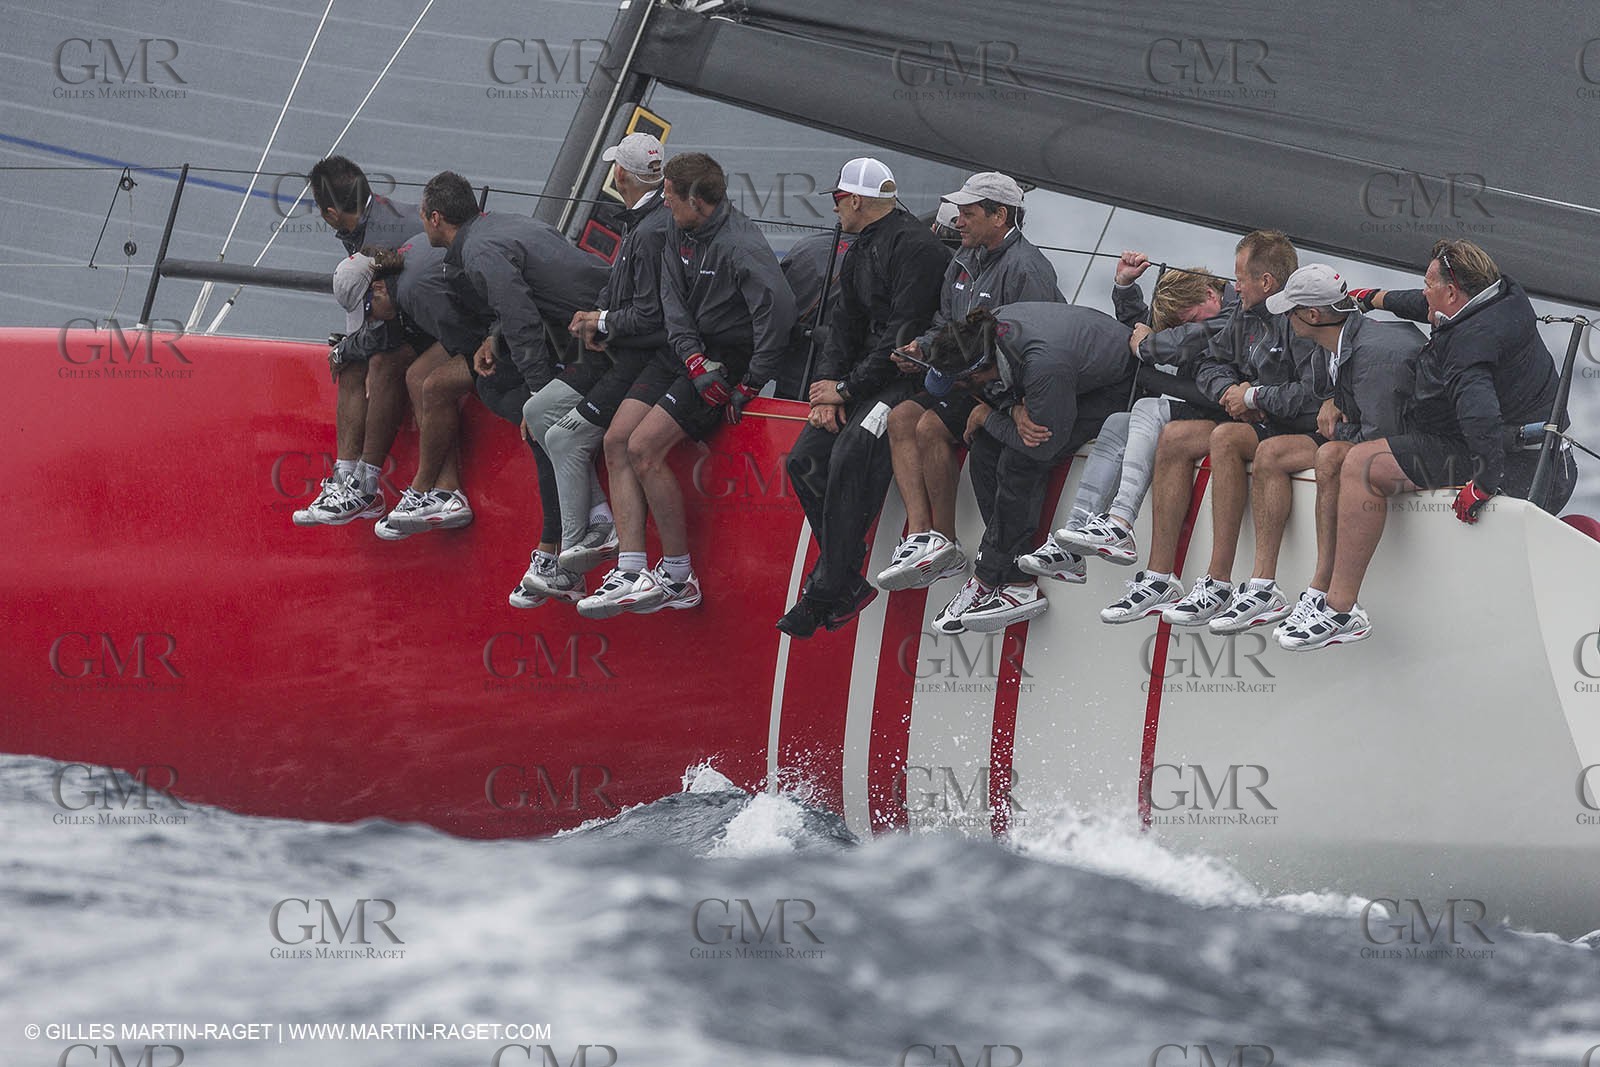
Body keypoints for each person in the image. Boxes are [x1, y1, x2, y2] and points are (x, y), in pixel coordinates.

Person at [1278, 239, 1576, 649]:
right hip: (1541, 454)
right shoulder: (1503, 294)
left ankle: (1342, 610)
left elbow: (1481, 418)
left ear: (1451, 292)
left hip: (1513, 463)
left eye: (1428, 284)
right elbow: (1426, 306)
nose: (1423, 292)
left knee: (1364, 464)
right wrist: (1374, 298)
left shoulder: (1469, 347)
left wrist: (1484, 484)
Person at [577, 152, 796, 619]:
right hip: (686, 353)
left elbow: (778, 314)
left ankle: (678, 576)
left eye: (672, 199)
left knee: (644, 448)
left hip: (725, 359)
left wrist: (752, 380)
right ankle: (632, 569)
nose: (666, 206)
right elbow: (671, 299)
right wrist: (691, 356)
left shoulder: (741, 247)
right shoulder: (679, 228)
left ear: (698, 201)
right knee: (616, 441)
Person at [1099, 229, 1324, 626]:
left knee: (1224, 437)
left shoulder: (1302, 319)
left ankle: (1220, 581)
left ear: (1266, 282)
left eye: (1239, 278)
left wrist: (1253, 398)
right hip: (1262, 419)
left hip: (1301, 427)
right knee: (1174, 437)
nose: (1233, 287)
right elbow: (1212, 364)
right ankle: (1158, 578)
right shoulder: (1246, 314)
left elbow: (1313, 395)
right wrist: (1230, 392)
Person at [1195, 264, 1421, 635]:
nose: (1283, 317)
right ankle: (1263, 587)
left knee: (1331, 456)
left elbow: (1381, 442)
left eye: (1289, 310)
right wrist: (1333, 398)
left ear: (1312, 315)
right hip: (1364, 427)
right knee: (1272, 454)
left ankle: (1322, 591)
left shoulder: (1375, 357)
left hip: (1406, 444)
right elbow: (1319, 395)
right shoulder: (1329, 342)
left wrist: (1335, 414)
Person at [418, 171, 611, 608]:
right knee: (494, 389)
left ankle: (561, 552)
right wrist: (493, 337)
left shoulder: (480, 252)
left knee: (541, 427)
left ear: (436, 218)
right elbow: (528, 294)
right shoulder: (505, 225)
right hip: (584, 328)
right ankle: (563, 551)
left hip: (607, 341)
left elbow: (524, 320)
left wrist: (541, 397)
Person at [775, 158, 950, 638]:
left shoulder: (918, 249)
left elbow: (902, 336)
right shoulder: (860, 247)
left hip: (903, 380)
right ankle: (845, 579)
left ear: (854, 200)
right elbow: (842, 325)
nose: (834, 211)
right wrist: (829, 392)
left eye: (835, 199)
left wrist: (847, 389)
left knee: (851, 452)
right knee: (804, 461)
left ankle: (825, 590)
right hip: (861, 377)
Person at [876, 172, 1064, 591]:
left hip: (998, 385)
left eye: (968, 213)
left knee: (926, 426)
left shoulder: (1027, 268)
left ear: (1000, 216)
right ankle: (923, 534)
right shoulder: (965, 258)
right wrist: (922, 349)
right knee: (900, 418)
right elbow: (946, 323)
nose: (957, 221)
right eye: (958, 213)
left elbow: (1029, 350)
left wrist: (1006, 403)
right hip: (962, 376)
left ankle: (945, 544)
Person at [516, 133, 671, 604]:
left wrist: (602, 320)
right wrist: (596, 317)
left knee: (563, 437)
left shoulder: (650, 229)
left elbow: (652, 316)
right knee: (539, 409)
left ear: (620, 174)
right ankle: (599, 519)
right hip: (611, 346)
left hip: (640, 356)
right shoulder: (639, 221)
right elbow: (616, 287)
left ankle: (571, 554)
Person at [1015, 253, 1233, 581]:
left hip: (1234, 414)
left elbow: (1159, 347)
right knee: (1118, 420)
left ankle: (1120, 523)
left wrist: (1152, 368)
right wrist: (1125, 287)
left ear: (1210, 295)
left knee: (1146, 407)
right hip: (1207, 408)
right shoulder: (1201, 315)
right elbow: (1147, 332)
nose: (1186, 330)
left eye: (1188, 321)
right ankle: (1073, 537)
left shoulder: (1237, 314)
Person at [919, 304, 1135, 632]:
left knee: (1019, 461)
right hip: (1067, 374)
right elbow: (998, 395)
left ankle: (995, 578)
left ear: (976, 374)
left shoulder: (1042, 365)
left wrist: (990, 415)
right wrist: (1012, 409)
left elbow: (1043, 446)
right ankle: (1014, 576)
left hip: (1118, 386)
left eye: (958, 385)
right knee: (984, 447)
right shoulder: (987, 331)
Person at [292, 157, 423, 526]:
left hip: (436, 321)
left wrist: (349, 347)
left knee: (375, 360)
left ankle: (366, 487)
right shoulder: (368, 218)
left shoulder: (379, 236)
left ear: (331, 212)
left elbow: (390, 327)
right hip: (409, 311)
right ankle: (344, 476)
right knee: (351, 358)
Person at [371, 235, 495, 539]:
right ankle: (447, 492)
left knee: (435, 386)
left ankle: (421, 487)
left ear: (378, 289)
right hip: (481, 322)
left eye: (367, 309)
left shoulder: (414, 291)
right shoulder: (402, 267)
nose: (370, 318)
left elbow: (466, 339)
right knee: (417, 376)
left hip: (500, 330)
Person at [775, 225, 859, 400]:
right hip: (834, 380)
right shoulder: (890, 253)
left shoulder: (807, 246)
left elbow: (774, 310)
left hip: (808, 376)